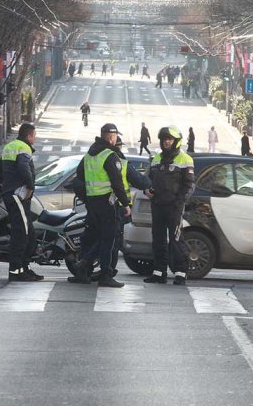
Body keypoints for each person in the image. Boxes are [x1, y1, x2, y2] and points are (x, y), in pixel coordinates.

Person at [68, 123, 130, 288]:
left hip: (92, 203)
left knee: (95, 236)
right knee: (108, 239)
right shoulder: (109, 155)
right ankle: (105, 275)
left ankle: (84, 264)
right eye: (115, 136)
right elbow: (117, 183)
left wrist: (87, 195)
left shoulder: (90, 154)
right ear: (111, 137)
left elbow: (79, 176)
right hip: (107, 203)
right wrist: (126, 203)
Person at [144, 126, 195, 285]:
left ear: (176, 141)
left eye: (169, 139)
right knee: (157, 240)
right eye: (164, 139)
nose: (166, 142)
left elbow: (190, 185)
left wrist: (179, 201)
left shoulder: (185, 159)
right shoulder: (156, 158)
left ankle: (181, 273)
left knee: (176, 239)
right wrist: (147, 190)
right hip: (158, 205)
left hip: (174, 207)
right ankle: (159, 273)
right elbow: (148, 179)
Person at [0, 123, 43, 282]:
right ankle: (16, 271)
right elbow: (23, 168)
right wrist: (29, 187)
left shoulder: (10, 146)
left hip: (11, 194)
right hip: (18, 195)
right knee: (21, 233)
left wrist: (6, 185)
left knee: (27, 231)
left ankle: (24, 268)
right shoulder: (24, 148)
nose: (34, 138)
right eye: (34, 136)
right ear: (29, 136)